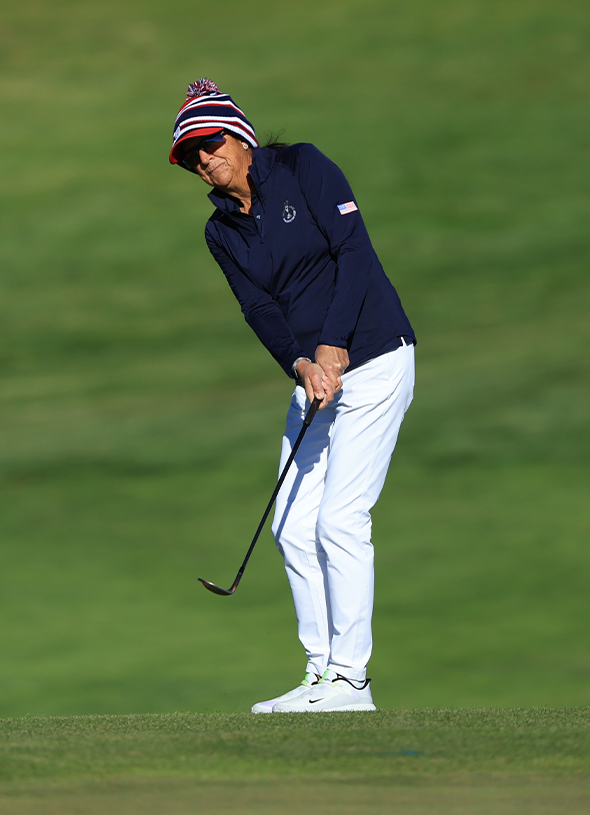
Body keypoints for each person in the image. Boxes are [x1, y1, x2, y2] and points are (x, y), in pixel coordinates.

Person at [169, 79, 416, 713]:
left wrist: (334, 344)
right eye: (191, 155)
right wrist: (301, 363)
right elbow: (258, 307)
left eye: (210, 143)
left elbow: (354, 253)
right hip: (316, 380)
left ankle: (352, 680)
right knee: (292, 523)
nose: (203, 160)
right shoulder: (220, 230)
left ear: (241, 136)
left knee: (339, 520)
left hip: (376, 358)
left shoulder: (304, 165)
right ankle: (320, 674)